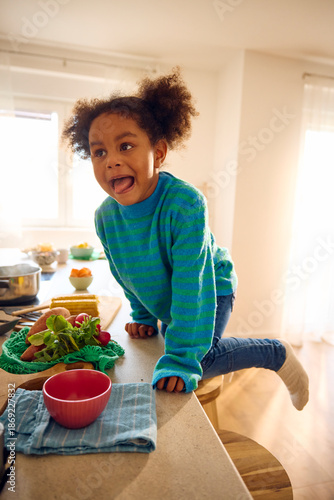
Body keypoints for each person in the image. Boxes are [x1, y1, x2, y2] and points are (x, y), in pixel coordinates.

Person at [62, 68, 309, 410]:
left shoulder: (185, 204)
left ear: (159, 153)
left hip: (211, 284)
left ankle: (276, 354)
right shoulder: (105, 217)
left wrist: (180, 358)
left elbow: (192, 288)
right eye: (99, 152)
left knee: (197, 362)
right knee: (173, 345)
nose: (112, 160)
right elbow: (128, 273)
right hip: (167, 294)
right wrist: (144, 316)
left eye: (126, 146)